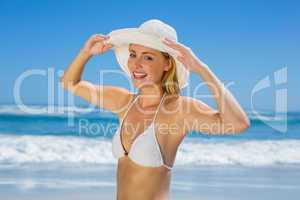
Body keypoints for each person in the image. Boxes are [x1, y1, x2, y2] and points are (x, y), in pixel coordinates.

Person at [60, 19, 250, 200]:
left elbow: (238, 124)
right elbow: (70, 84)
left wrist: (201, 69)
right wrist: (86, 53)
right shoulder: (123, 101)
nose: (136, 64)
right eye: (133, 54)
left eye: (148, 57)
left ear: (167, 64)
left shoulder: (179, 109)